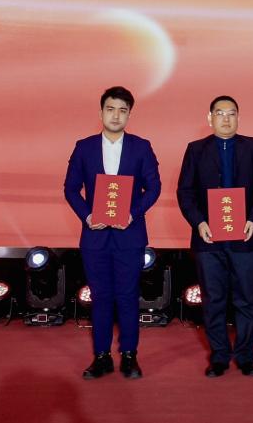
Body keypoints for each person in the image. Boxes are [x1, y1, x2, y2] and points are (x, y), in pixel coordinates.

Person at [64, 86, 161, 380]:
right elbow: (71, 189)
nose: (116, 115)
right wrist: (87, 215)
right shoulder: (84, 147)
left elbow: (153, 187)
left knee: (128, 296)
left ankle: (129, 355)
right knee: (101, 297)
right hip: (95, 236)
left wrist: (132, 213)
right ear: (101, 113)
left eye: (122, 110)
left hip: (129, 235)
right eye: (110, 109)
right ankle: (102, 356)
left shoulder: (141, 147)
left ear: (129, 114)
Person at [177, 95, 253, 377]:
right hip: (208, 240)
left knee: (246, 300)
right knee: (214, 300)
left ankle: (246, 356)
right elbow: (185, 191)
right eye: (220, 113)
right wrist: (199, 222)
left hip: (246, 239)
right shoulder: (195, 150)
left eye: (231, 113)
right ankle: (219, 356)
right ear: (210, 118)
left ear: (238, 118)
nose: (226, 119)